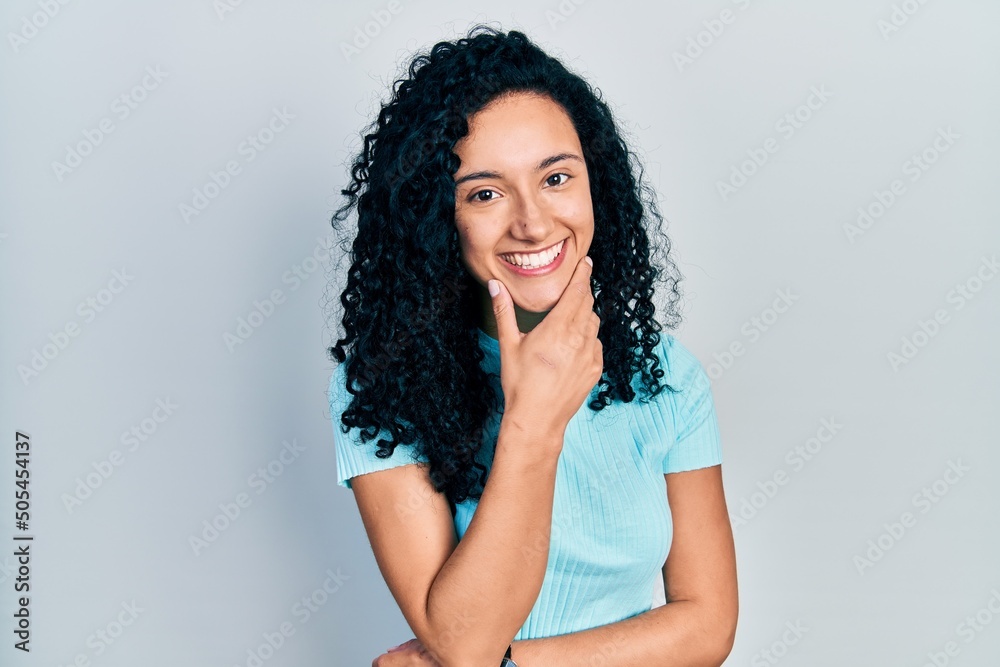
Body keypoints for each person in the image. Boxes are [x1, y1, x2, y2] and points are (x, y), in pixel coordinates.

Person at [326, 24, 738, 667]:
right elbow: (462, 641)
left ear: (595, 183)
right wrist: (532, 421)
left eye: (555, 179)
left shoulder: (666, 375)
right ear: (439, 218)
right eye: (485, 193)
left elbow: (707, 625)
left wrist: (516, 664)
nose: (533, 222)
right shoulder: (383, 382)